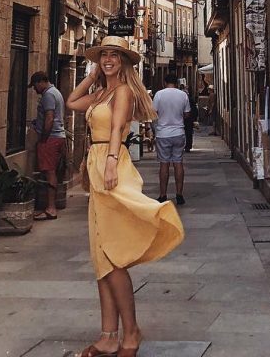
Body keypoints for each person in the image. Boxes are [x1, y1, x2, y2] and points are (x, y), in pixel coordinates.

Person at [66, 36, 183, 357]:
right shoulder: (101, 92)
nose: (108, 60)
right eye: (103, 55)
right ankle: (108, 336)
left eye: (114, 55)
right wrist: (92, 74)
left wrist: (112, 163)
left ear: (125, 62)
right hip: (98, 164)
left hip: (111, 166)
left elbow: (117, 128)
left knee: (113, 256)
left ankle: (130, 332)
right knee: (101, 258)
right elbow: (71, 103)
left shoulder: (124, 92)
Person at [29, 71, 65, 220]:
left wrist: (43, 138)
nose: (34, 90)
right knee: (51, 171)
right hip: (57, 137)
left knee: (49, 171)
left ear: (40, 82)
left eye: (34, 86)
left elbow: (49, 118)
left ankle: (51, 208)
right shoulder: (56, 92)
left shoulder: (48, 95)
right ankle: (50, 207)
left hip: (51, 138)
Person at [152, 72, 190, 205]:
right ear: (177, 83)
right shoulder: (183, 95)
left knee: (164, 164)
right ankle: (179, 194)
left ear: (164, 82)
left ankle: (163, 195)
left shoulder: (159, 94)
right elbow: (187, 114)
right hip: (178, 132)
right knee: (178, 163)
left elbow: (154, 113)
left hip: (163, 134)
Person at [180, 79, 197, 153]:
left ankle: (184, 146)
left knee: (183, 133)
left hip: (183, 119)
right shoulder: (191, 99)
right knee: (188, 133)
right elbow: (195, 110)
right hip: (189, 119)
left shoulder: (180, 100)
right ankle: (188, 146)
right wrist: (194, 118)